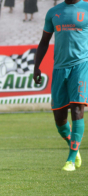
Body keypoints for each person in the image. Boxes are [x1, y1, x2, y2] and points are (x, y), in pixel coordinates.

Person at [33, 0, 88, 171]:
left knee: (77, 108)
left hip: (81, 65)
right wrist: (36, 67)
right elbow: (44, 42)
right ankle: (74, 145)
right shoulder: (53, 12)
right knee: (59, 117)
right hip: (59, 68)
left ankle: (70, 160)